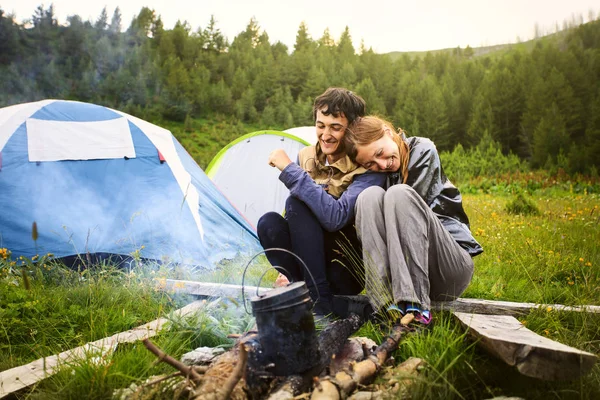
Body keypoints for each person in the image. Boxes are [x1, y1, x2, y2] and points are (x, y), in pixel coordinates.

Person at [257, 88, 386, 317]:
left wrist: (290, 170)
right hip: (311, 262)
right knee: (269, 223)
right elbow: (296, 219)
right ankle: (305, 292)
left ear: (353, 129)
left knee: (299, 204)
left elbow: (336, 217)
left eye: (335, 127)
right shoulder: (306, 156)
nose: (325, 135)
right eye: (320, 125)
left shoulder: (368, 165)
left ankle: (318, 302)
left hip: (345, 267)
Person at [344, 116, 483, 325]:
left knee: (399, 194)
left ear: (388, 132)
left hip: (448, 268)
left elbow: (406, 223)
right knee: (368, 196)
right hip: (404, 274)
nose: (382, 164)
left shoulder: (423, 150)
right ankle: (382, 306)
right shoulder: (380, 172)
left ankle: (416, 306)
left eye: (380, 153)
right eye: (370, 164)